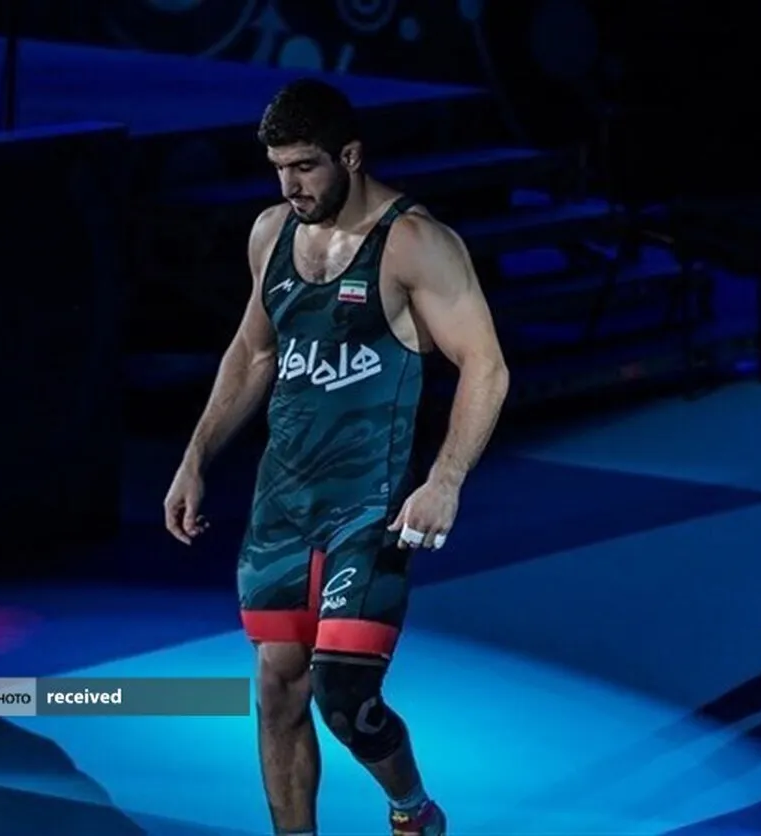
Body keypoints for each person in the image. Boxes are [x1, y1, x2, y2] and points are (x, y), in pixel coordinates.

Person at [162, 78, 510, 836]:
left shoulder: (414, 243)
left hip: (369, 504)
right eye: (278, 169)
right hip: (283, 500)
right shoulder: (271, 234)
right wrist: (196, 457)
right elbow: (253, 353)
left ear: (349, 156)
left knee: (345, 695)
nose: (290, 187)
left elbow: (486, 366)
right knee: (277, 689)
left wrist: (445, 479)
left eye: (305, 167)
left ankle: (413, 811)